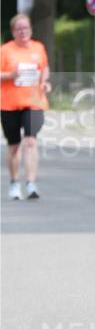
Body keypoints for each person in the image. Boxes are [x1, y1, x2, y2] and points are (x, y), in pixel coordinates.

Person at [1, 14, 51, 200]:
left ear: (31, 29)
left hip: (33, 102)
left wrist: (45, 82)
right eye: (19, 29)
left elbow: (44, 68)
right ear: (13, 32)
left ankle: (31, 183)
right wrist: (9, 76)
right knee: (14, 146)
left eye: (26, 28)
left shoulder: (38, 48)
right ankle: (14, 183)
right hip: (9, 104)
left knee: (30, 141)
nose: (23, 32)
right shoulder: (5, 50)